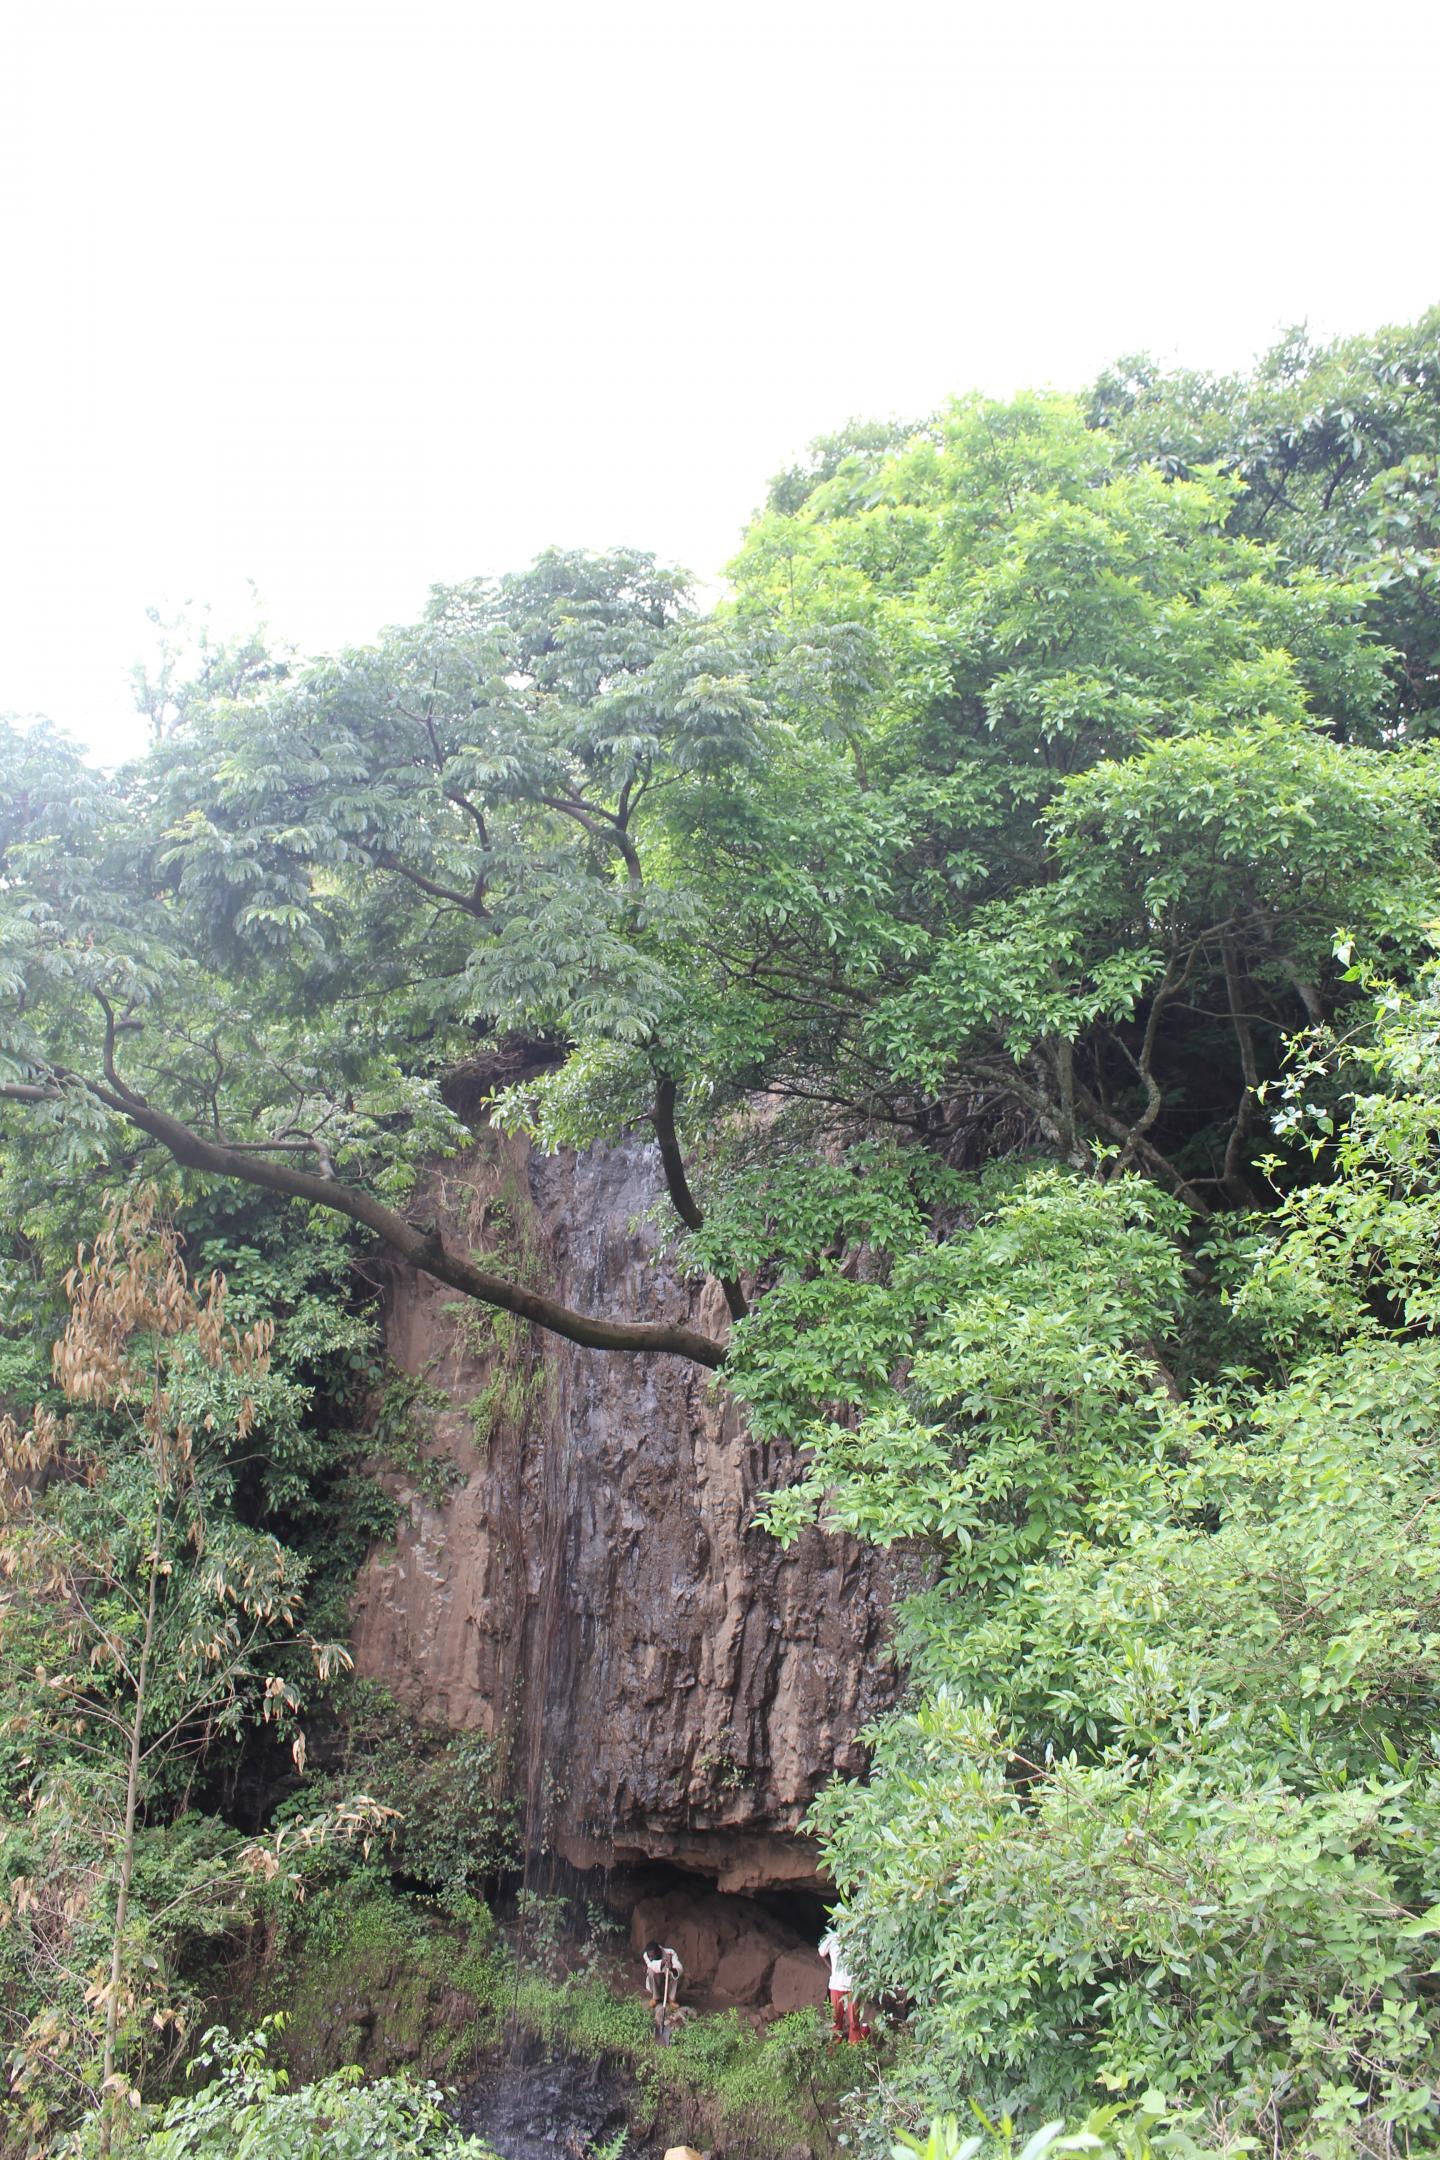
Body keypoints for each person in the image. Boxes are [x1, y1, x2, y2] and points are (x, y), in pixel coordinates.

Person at [818, 1921, 868, 2044]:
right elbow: (821, 1952)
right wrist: (832, 1969)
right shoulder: (833, 1939)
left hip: (853, 1986)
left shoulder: (857, 1939)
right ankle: (835, 2050)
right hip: (836, 1986)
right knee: (835, 2020)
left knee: (854, 2021)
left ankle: (854, 2048)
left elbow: (865, 1958)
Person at [642, 1939, 684, 2008]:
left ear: (658, 1952)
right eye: (649, 1956)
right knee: (650, 1971)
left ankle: (671, 1998)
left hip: (669, 1984)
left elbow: (680, 1968)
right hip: (657, 1984)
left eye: (652, 1956)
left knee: (676, 1973)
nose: (650, 1958)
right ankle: (656, 1997)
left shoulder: (670, 1952)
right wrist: (663, 1962)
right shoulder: (646, 1955)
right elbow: (651, 1965)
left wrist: (672, 1968)